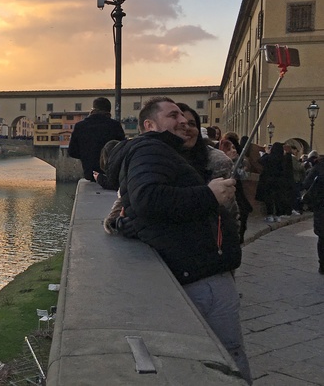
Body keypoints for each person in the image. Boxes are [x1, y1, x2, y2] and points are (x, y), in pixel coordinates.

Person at [104, 97, 252, 383]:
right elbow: (147, 198)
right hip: (199, 274)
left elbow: (139, 202)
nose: (183, 121)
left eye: (185, 118)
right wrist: (209, 195)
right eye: (173, 116)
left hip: (191, 270)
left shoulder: (157, 151)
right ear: (150, 125)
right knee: (228, 356)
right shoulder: (151, 149)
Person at [68, 97, 125, 181]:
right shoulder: (115, 126)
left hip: (90, 173)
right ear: (109, 111)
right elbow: (123, 149)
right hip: (111, 174)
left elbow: (72, 152)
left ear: (93, 109)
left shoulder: (80, 126)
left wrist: (86, 155)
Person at [256, 142, 295, 222]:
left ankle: (270, 215)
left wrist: (267, 153)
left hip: (268, 180)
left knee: (268, 198)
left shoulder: (269, 157)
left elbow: (260, 161)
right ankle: (278, 215)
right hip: (280, 181)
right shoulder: (283, 159)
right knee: (278, 198)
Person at [302, 154, 324, 274]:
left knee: (322, 237)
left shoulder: (318, 167)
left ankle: (322, 264)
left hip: (320, 206)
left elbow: (306, 183)